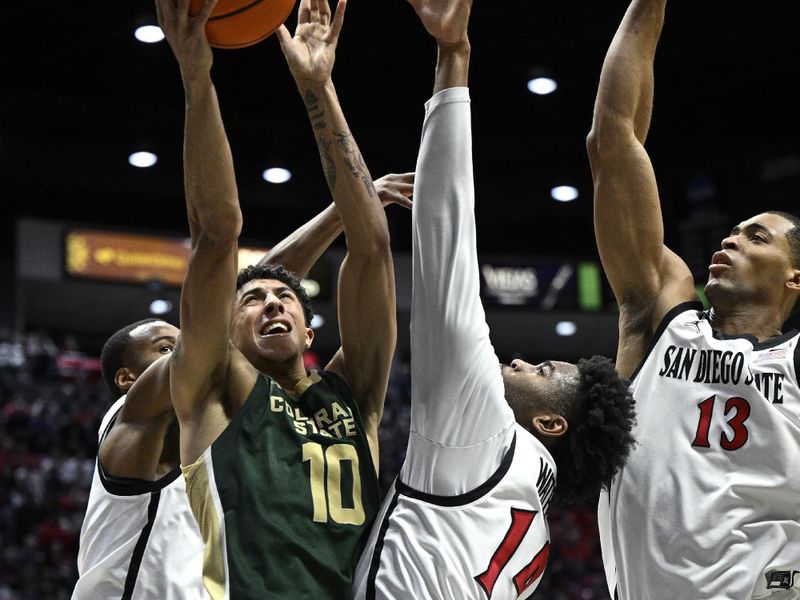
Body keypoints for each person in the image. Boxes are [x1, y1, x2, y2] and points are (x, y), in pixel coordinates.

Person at [352, 1, 636, 598]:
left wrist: (453, 57)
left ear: (551, 422)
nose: (522, 361)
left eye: (545, 368)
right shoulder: (534, 527)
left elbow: (447, 245)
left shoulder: (485, 433)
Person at [155, 0, 397, 596]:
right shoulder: (213, 388)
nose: (271, 303)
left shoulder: (355, 395)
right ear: (223, 330)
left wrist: (319, 87)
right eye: (251, 299)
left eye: (283, 297)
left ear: (310, 333)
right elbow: (216, 233)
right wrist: (196, 76)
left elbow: (372, 248)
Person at [586, 1, 800, 598]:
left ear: (795, 279)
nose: (732, 237)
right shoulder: (660, 317)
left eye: (757, 237)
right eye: (732, 230)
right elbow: (613, 140)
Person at [72, 318, 206, 599]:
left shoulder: (200, 438)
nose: (186, 353)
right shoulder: (133, 418)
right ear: (127, 378)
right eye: (167, 348)